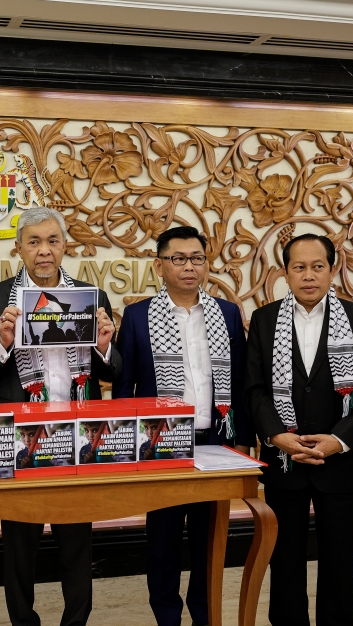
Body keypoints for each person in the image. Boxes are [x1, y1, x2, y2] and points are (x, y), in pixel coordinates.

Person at [0, 206, 121, 626]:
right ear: (18, 248)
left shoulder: (92, 297)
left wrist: (105, 346)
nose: (44, 251)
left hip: (78, 436)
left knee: (77, 543)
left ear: (65, 246)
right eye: (34, 242)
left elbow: (114, 371)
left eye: (52, 241)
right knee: (19, 547)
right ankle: (23, 621)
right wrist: (2, 343)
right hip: (20, 438)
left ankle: (76, 621)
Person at [113, 225, 254, 626]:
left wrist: (242, 439)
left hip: (215, 442)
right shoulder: (138, 316)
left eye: (197, 258)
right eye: (179, 259)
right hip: (161, 447)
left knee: (209, 542)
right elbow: (125, 389)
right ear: (160, 265)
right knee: (163, 543)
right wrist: (131, 446)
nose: (189, 267)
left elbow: (241, 380)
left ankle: (206, 615)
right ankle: (167, 618)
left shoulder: (226, 313)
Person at [244, 233, 353, 626]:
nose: (309, 276)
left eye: (317, 266)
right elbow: (253, 389)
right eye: (299, 267)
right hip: (283, 461)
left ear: (332, 269)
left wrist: (338, 440)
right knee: (284, 559)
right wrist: (276, 436)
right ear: (285, 273)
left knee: (341, 561)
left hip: (342, 462)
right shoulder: (264, 318)